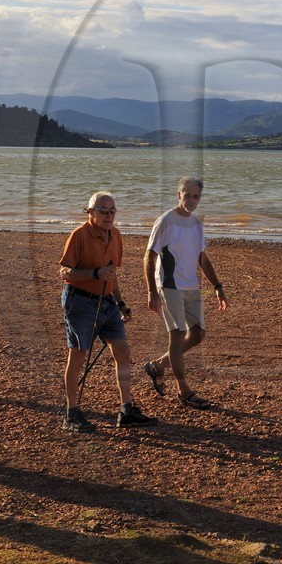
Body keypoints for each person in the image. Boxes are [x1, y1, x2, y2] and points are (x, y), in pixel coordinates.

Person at [58, 191, 154, 433]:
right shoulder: (79, 236)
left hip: (107, 302)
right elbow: (64, 272)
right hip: (79, 302)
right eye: (104, 211)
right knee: (78, 356)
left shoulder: (116, 236)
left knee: (122, 352)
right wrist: (93, 274)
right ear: (91, 212)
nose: (109, 215)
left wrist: (121, 303)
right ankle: (71, 413)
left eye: (113, 211)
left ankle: (126, 410)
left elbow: (112, 274)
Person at [143, 176, 228, 409]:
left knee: (199, 334)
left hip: (192, 285)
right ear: (178, 195)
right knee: (177, 335)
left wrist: (218, 287)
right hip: (169, 285)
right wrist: (151, 291)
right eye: (187, 195)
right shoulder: (165, 221)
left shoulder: (196, 224)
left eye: (195, 196)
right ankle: (184, 390)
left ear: (200, 199)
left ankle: (158, 366)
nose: (191, 200)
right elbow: (149, 256)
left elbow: (203, 258)